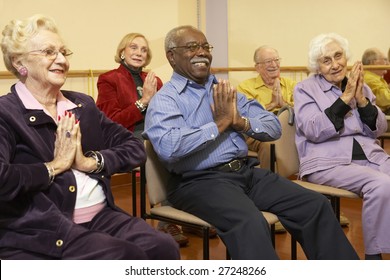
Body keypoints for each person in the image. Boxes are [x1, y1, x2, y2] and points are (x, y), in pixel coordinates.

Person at [143, 25, 359, 260]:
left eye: (205, 46)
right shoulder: (166, 100)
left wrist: (241, 122)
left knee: (315, 204)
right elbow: (169, 147)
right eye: (192, 47)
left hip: (245, 173)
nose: (202, 52)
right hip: (198, 182)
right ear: (172, 56)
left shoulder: (224, 90)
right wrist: (218, 125)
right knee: (251, 223)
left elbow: (273, 127)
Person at [0, 14, 179, 260]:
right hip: (42, 228)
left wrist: (89, 162)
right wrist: (53, 167)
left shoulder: (81, 104)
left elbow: (133, 147)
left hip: (101, 217)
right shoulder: (6, 113)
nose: (61, 60)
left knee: (163, 246)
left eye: (64, 52)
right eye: (49, 52)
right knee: (125, 256)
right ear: (19, 61)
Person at [96, 33, 199, 247]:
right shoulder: (109, 79)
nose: (139, 53)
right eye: (133, 47)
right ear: (122, 52)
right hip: (125, 139)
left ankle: (186, 213)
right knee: (166, 153)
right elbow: (110, 121)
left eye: (143, 49)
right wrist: (143, 102)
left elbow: (166, 113)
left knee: (191, 149)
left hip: (154, 135)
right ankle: (168, 221)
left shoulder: (154, 80)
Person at [294, 32, 390, 260]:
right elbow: (313, 129)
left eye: (338, 56)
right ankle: (374, 257)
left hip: (368, 156)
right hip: (326, 162)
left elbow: (378, 129)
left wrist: (363, 100)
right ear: (317, 66)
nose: (335, 64)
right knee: (381, 184)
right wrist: (345, 100)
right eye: (326, 61)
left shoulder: (360, 86)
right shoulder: (305, 89)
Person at [237, 46, 296, 170]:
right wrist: (271, 105)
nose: (274, 65)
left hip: (289, 131)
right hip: (258, 133)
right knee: (269, 144)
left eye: (276, 60)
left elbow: (302, 109)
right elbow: (244, 115)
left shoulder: (291, 84)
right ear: (257, 67)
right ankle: (269, 182)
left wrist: (283, 104)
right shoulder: (245, 87)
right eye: (269, 61)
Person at [361, 47, 390, 114]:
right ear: (373, 62)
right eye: (385, 60)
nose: (388, 64)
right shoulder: (369, 79)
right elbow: (386, 100)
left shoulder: (374, 77)